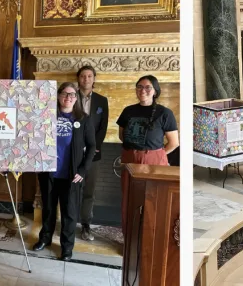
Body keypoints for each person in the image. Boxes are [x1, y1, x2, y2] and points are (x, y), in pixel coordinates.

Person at [32, 82, 96, 261]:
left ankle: (67, 248)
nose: (69, 97)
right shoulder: (47, 116)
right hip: (49, 173)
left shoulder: (83, 119)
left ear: (76, 99)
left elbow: (92, 147)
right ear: (58, 96)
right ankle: (44, 239)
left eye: (73, 95)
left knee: (69, 213)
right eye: (65, 94)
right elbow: (36, 139)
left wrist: (82, 170)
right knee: (49, 210)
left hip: (72, 176)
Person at [116, 75, 178, 231]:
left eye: (147, 87)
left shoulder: (165, 113)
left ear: (155, 91)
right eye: (139, 87)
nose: (143, 90)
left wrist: (157, 154)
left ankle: (150, 237)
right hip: (130, 158)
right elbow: (121, 135)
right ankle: (129, 236)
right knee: (129, 198)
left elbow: (174, 142)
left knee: (153, 198)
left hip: (154, 159)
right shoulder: (128, 111)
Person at [76, 66, 109, 241]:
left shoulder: (102, 101)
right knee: (73, 189)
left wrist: (94, 146)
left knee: (89, 191)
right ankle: (69, 221)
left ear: (94, 79)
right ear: (78, 79)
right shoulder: (70, 97)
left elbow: (103, 127)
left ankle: (86, 225)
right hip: (72, 152)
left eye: (89, 76)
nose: (86, 79)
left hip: (93, 153)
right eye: (83, 76)